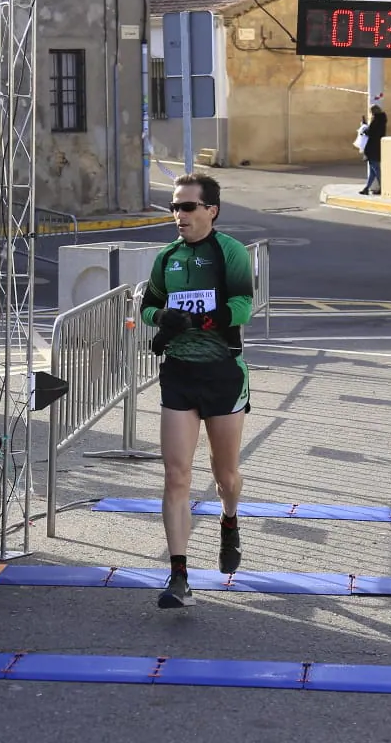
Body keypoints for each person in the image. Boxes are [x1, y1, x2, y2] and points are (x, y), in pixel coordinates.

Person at [140, 173, 254, 609]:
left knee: (224, 476)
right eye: (174, 207)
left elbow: (243, 305)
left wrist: (196, 321)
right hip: (180, 374)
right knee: (176, 475)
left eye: (188, 207)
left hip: (223, 373)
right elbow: (148, 304)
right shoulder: (166, 256)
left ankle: (230, 521)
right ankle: (179, 576)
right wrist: (160, 320)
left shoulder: (231, 253)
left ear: (212, 210)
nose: (179, 215)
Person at [359, 104, 386, 195]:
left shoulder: (376, 120)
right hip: (378, 147)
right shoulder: (382, 120)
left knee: (376, 169)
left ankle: (384, 187)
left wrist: (364, 128)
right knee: (373, 170)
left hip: (373, 148)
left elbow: (371, 132)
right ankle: (366, 188)